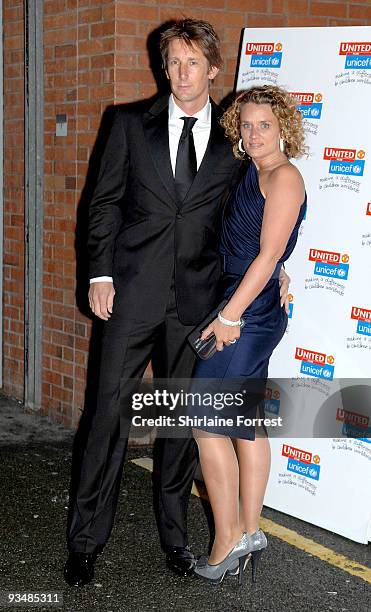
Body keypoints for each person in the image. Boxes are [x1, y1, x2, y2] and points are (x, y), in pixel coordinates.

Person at [64, 19, 290, 587]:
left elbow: (254, 213)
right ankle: (86, 542)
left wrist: (279, 265)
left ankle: (176, 540)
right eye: (173, 63)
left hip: (197, 303)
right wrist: (100, 271)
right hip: (131, 295)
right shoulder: (126, 124)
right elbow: (103, 204)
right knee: (107, 417)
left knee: (179, 427)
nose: (182, 74)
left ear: (213, 69)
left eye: (194, 63)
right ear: (163, 68)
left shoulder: (235, 139)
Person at [189, 85, 307, 585]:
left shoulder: (283, 176)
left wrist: (231, 316)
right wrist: (276, 272)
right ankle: (250, 530)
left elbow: (267, 253)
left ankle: (226, 540)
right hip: (248, 301)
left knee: (203, 418)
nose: (254, 133)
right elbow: (271, 253)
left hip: (247, 314)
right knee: (242, 418)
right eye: (248, 124)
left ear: (284, 128)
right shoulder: (256, 172)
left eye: (265, 124)